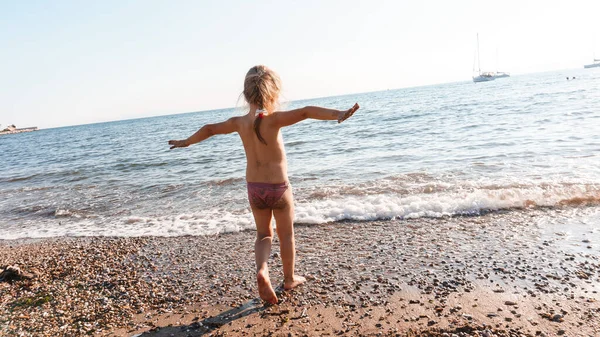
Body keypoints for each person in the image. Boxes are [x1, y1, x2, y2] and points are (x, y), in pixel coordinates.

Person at [168, 65, 360, 304]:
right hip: (279, 188)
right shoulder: (275, 119)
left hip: (254, 189)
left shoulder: (239, 122)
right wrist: (338, 114)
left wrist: (186, 142)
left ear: (246, 95)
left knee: (263, 235)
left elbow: (209, 129)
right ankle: (289, 279)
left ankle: (262, 270)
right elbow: (306, 112)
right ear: (273, 93)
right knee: (286, 234)